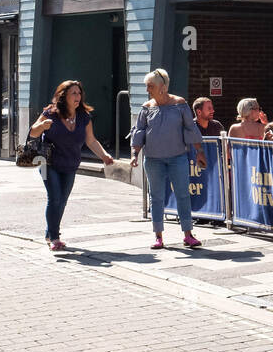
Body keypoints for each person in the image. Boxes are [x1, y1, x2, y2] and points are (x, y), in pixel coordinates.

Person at [28, 80, 115, 251]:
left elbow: (91, 140)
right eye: (73, 93)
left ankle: (49, 232)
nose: (77, 96)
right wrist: (42, 125)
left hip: (70, 164)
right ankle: (54, 237)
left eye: (79, 93)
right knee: (55, 198)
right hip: (48, 163)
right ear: (64, 96)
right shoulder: (50, 113)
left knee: (62, 201)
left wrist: (104, 156)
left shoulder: (84, 117)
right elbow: (33, 132)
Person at [131, 69, 205, 250]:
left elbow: (190, 128)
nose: (148, 90)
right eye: (147, 86)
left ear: (162, 87)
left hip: (177, 157)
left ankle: (188, 234)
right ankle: (158, 237)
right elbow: (139, 131)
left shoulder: (180, 104)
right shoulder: (147, 107)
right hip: (153, 159)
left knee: (183, 195)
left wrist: (199, 152)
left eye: (151, 86)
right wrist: (134, 154)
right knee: (156, 197)